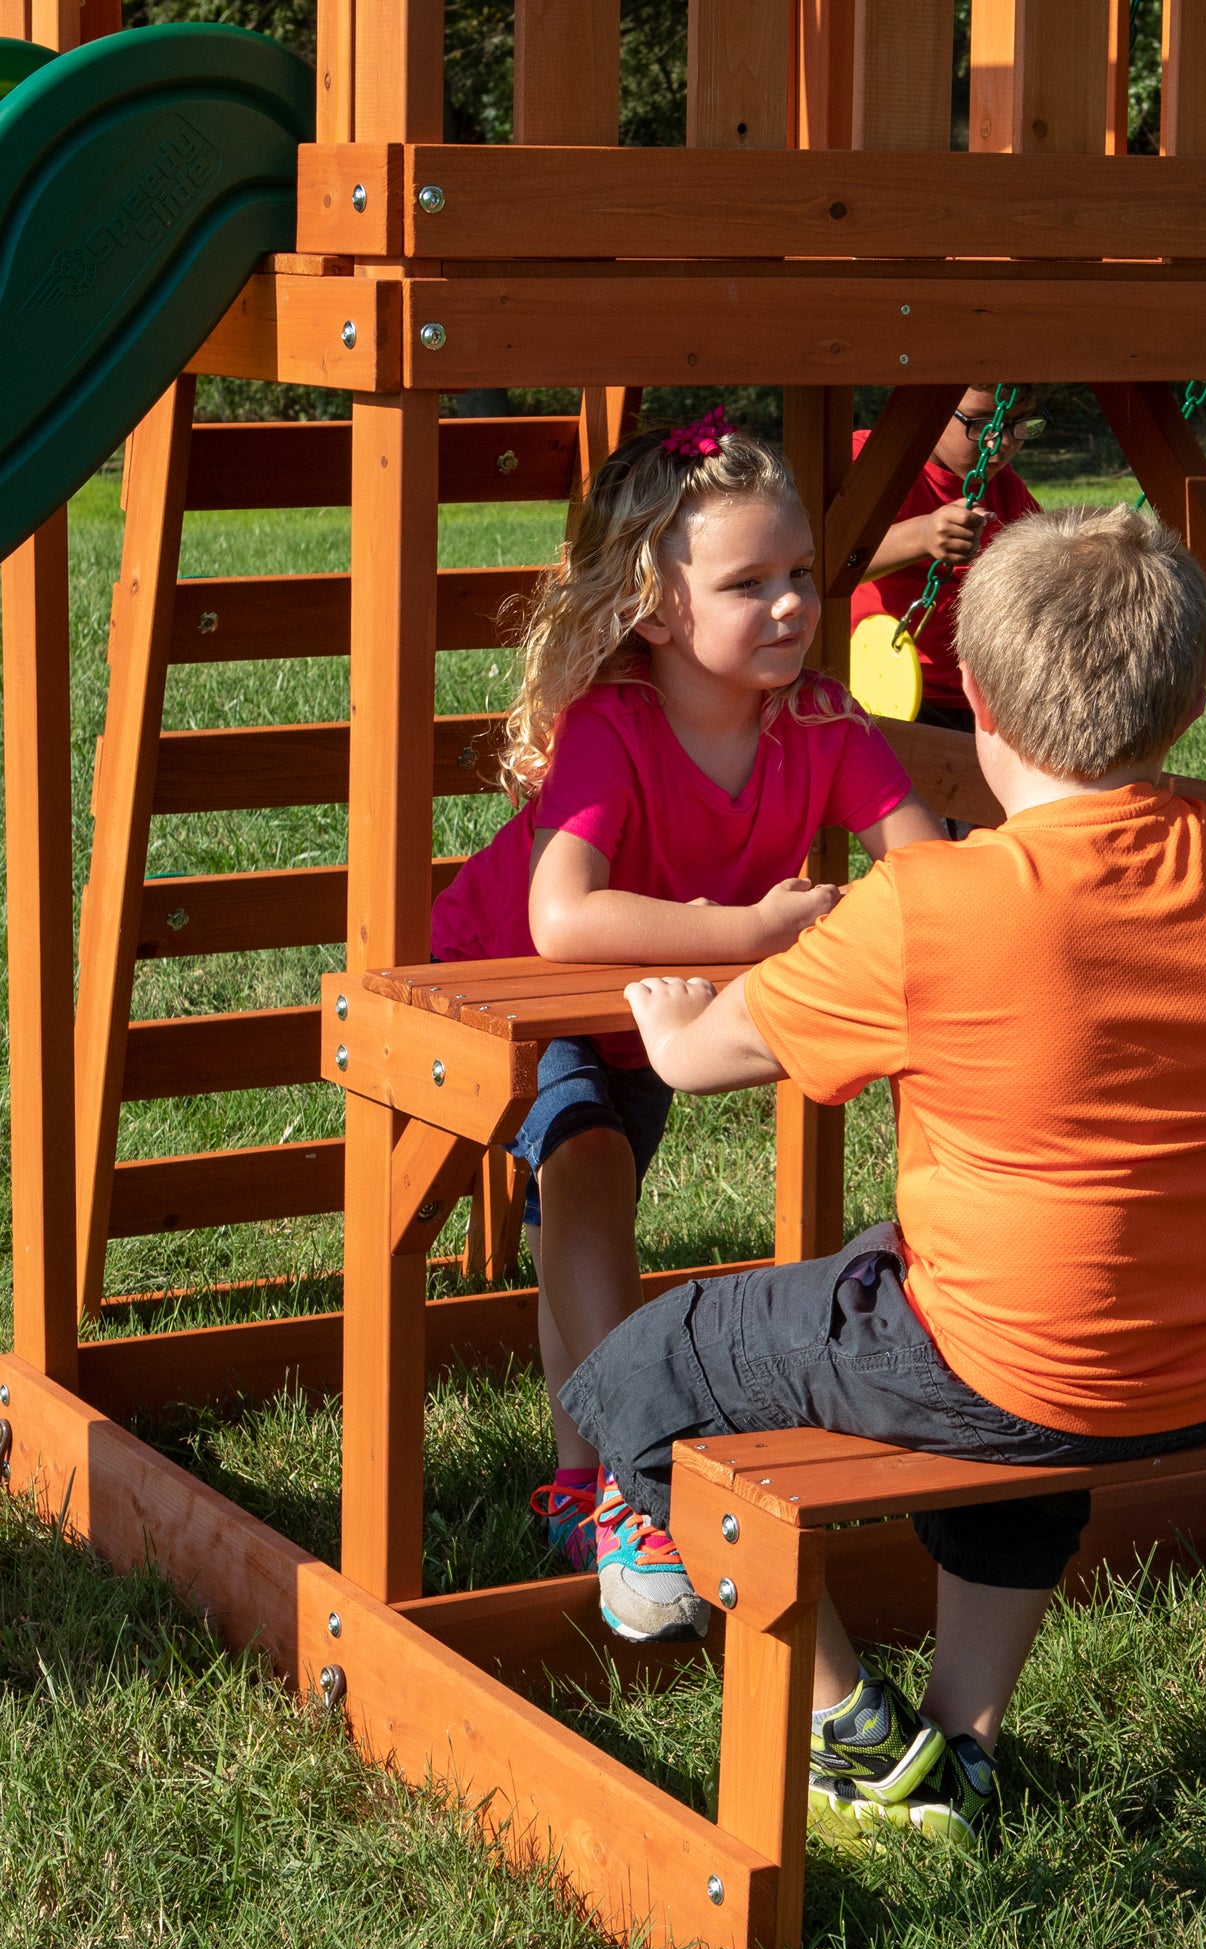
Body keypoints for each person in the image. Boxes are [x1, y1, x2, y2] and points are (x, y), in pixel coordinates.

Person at [557, 505, 1206, 1847]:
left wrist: (666, 1027)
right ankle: (964, 1742)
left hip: (1032, 1360)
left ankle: (851, 1733)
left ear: (985, 723)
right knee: (968, 1305)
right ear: (1185, 706)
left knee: (643, 1367)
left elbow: (704, 1058)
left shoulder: (937, 903)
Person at [429, 411, 942, 1629]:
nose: (790, 605)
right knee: (592, 1171)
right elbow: (561, 917)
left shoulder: (816, 717)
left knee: (580, 1219)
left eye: (803, 575)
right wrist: (753, 932)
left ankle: (581, 1479)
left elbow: (921, 861)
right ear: (657, 611)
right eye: (747, 582)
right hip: (505, 986)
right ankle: (639, 1477)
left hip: (649, 1002)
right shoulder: (614, 725)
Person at [848, 385, 1043, 729]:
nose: (1002, 442)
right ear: (928, 409)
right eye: (982, 423)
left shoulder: (1003, 487)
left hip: (981, 694)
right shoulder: (874, 461)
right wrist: (921, 536)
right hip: (884, 692)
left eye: (1019, 423)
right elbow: (827, 557)